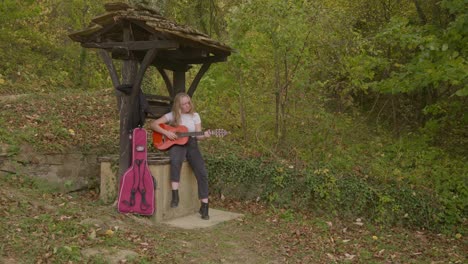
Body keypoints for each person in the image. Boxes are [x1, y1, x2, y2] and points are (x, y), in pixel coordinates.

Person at [150, 92, 211, 220]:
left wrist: (205, 135)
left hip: (192, 144)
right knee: (176, 161)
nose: (187, 105)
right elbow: (154, 125)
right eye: (183, 104)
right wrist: (166, 132)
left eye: (188, 102)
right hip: (177, 144)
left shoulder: (195, 116)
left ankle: (204, 206)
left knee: (202, 172)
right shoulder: (172, 115)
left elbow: (198, 136)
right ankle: (175, 194)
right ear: (178, 105)